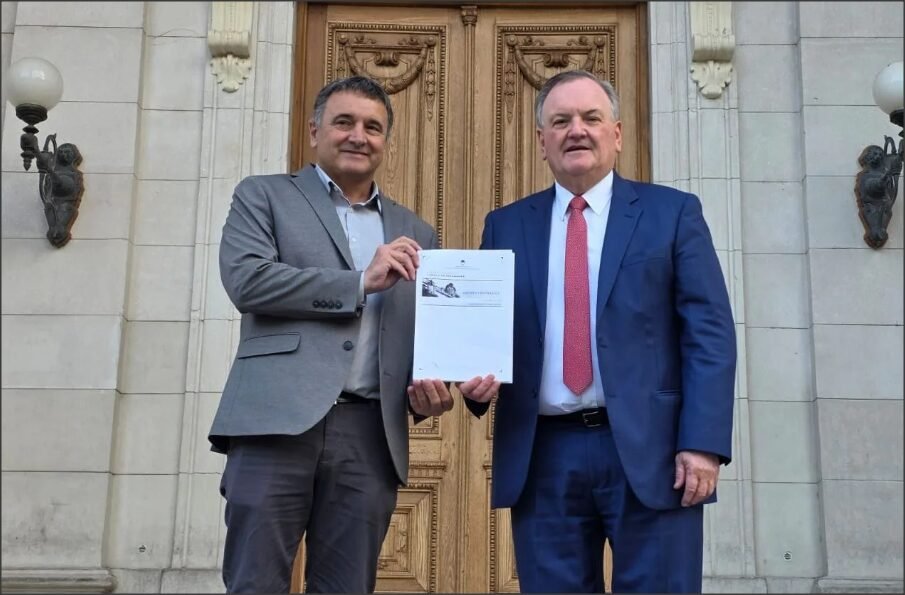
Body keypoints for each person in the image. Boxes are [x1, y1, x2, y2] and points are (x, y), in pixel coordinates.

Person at [459, 70, 737, 593]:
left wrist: (702, 443)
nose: (576, 131)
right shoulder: (506, 224)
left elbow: (710, 334)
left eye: (591, 118)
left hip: (654, 453)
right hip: (544, 456)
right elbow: (485, 332)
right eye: (560, 121)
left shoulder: (672, 214)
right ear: (542, 141)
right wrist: (473, 385)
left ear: (617, 133)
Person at [209, 75, 454, 593]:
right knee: (255, 582)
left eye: (373, 127)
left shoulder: (416, 230)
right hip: (276, 425)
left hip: (369, 434)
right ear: (315, 130)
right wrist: (359, 281)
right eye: (344, 122)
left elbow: (416, 331)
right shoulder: (264, 195)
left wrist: (430, 390)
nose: (358, 136)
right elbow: (248, 281)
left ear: (386, 141)